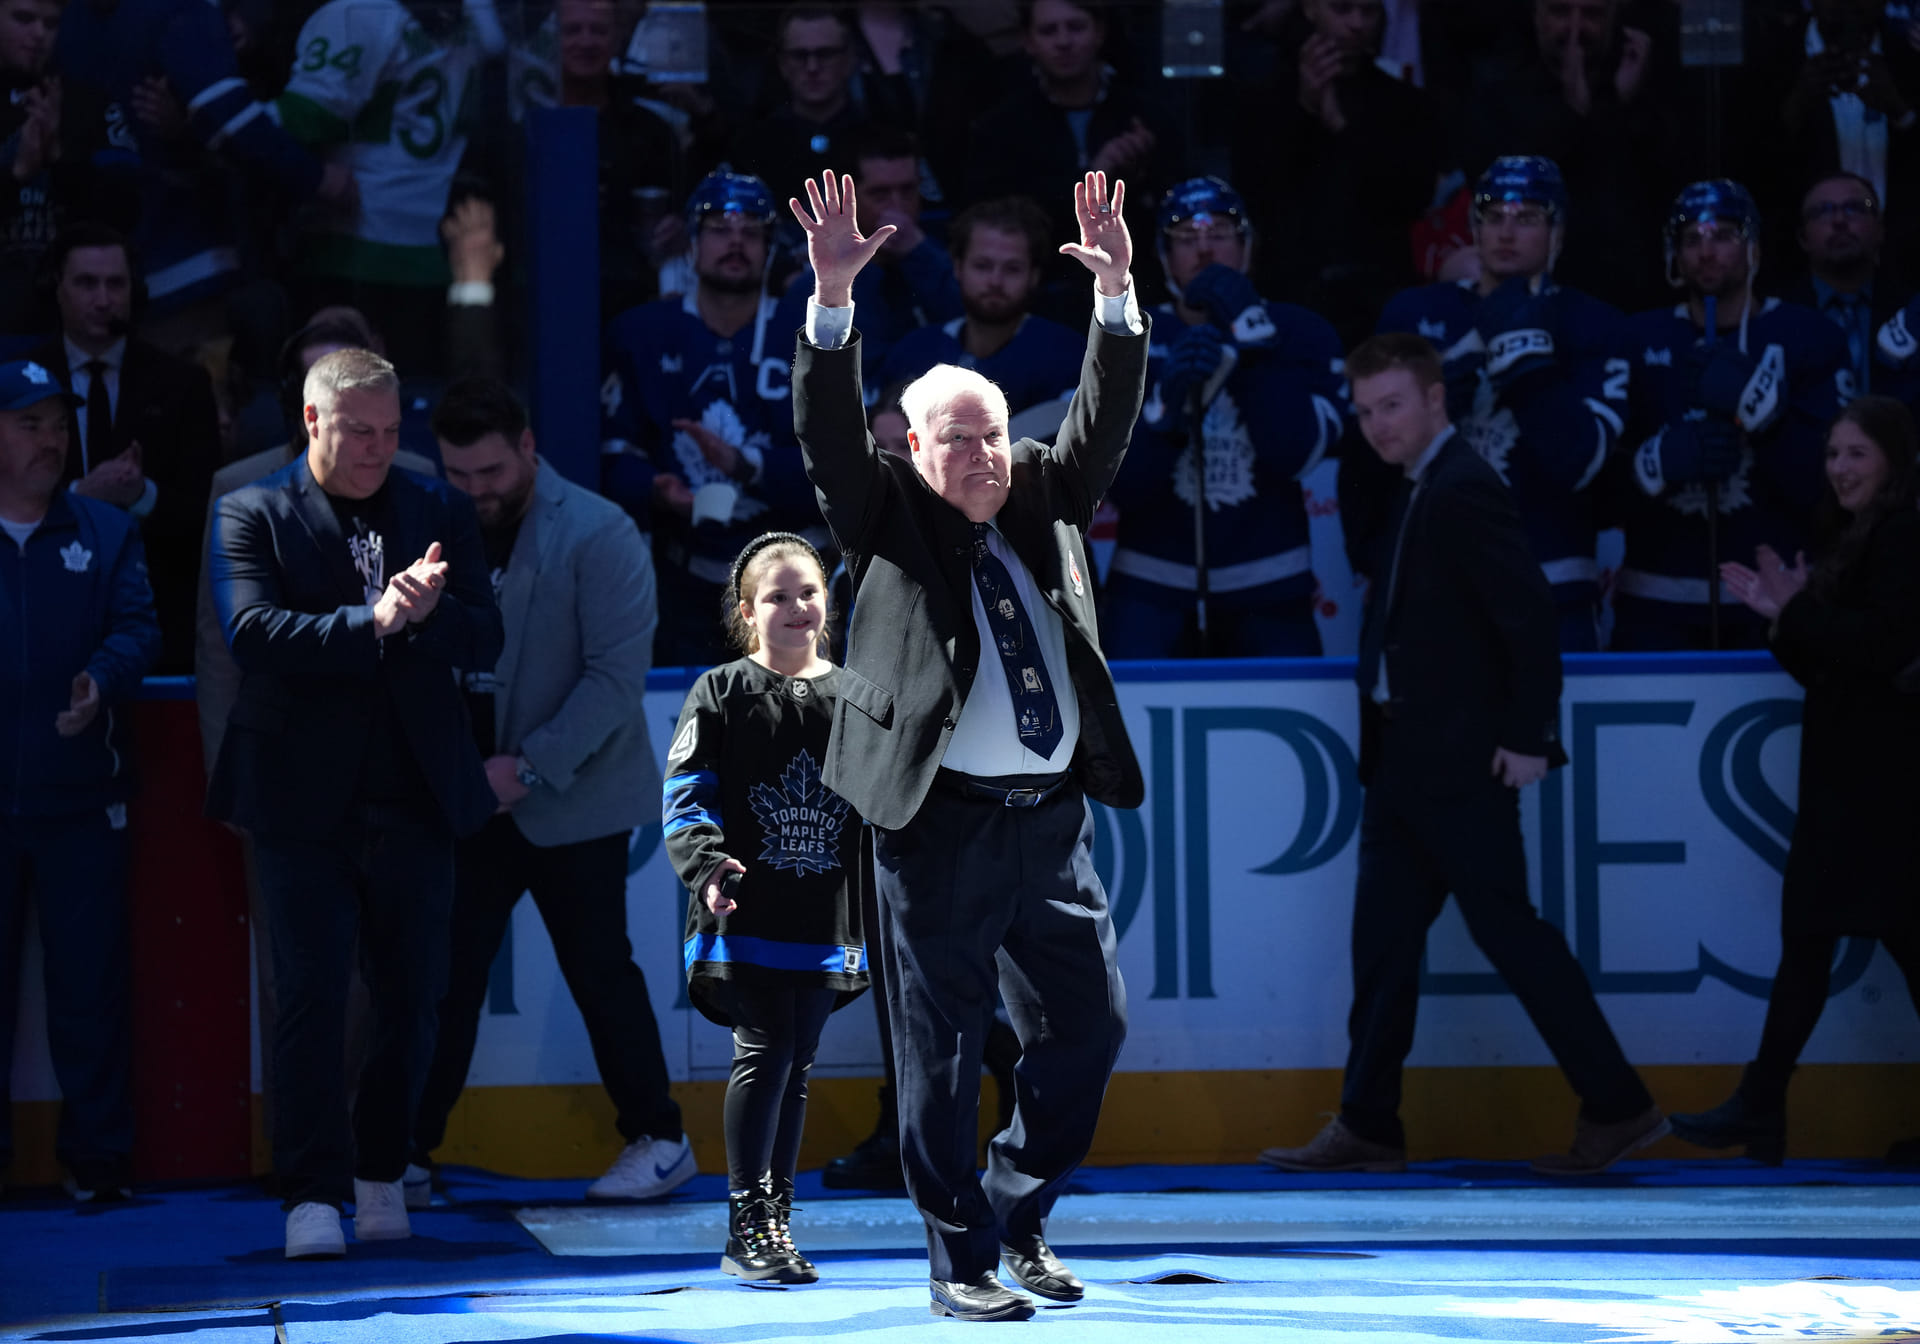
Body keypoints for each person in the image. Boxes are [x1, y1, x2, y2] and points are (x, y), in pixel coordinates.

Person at [791, 167, 1143, 1322]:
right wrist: (833, 305)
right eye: (961, 441)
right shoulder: (884, 509)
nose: (987, 458)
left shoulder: (1043, 488)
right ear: (913, 444)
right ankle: (962, 1261)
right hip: (935, 826)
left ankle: (1016, 1210)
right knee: (939, 1053)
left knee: (1088, 1026)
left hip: (1050, 824)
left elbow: (1101, 419)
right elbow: (827, 434)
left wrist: (1116, 300)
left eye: (995, 435)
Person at [1270, 333, 1666, 1177]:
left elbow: (1527, 620)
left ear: (1435, 400)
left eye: (1393, 406)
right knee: (1383, 947)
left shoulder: (1460, 488)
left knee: (1510, 935)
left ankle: (1619, 1105)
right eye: (1366, 410)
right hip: (1408, 762)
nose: (1377, 426)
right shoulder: (1422, 484)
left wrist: (1528, 737)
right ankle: (1369, 1123)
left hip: (1454, 765)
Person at [205, 347, 502, 1260]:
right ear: (311, 421)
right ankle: (311, 1191)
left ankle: (382, 1170)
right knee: (311, 996)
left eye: (388, 432)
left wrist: (424, 611)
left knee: (414, 998)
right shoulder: (248, 509)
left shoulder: (435, 505)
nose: (377, 449)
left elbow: (483, 632)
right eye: (357, 431)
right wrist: (371, 623)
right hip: (300, 803)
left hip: (415, 792)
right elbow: (252, 633)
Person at [409, 378, 694, 1206]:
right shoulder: (436, 524)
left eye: (490, 472)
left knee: (601, 971)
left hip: (573, 800)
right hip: (470, 797)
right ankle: (408, 1154)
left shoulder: (601, 533)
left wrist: (524, 768)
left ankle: (661, 1138)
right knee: (445, 979)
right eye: (458, 475)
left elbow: (614, 682)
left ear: (529, 448)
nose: (475, 491)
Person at [1670, 396, 1920, 1163]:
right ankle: (1760, 1108)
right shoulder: (1855, 536)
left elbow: (1883, 649)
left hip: (1886, 784)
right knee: (1810, 941)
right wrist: (1782, 619)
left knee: (1866, 943)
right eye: (1832, 455)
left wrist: (1797, 611)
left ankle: (1759, 1106)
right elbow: (1828, 666)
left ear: (1893, 461)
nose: (1840, 469)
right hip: (1851, 775)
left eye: (1856, 454)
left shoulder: (1906, 535)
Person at [665, 531, 868, 1282]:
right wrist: (708, 866)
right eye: (776, 597)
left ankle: (775, 1221)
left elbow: (883, 804)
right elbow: (685, 793)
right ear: (746, 612)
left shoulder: (853, 696)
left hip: (824, 915)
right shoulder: (718, 693)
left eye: (808, 592)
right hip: (744, 908)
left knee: (798, 1059)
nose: (796, 607)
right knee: (765, 1047)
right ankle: (746, 1223)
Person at [0, 357, 161, 1201]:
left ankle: (98, 1163)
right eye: (29, 424)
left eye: (58, 425)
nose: (51, 441)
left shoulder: (104, 533)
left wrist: (102, 678)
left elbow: (140, 628)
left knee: (89, 992)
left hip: (82, 798)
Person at [1371, 156, 1631, 650]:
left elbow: (1581, 461)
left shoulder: (1595, 323)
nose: (1506, 231)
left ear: (1558, 232)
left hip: (1552, 582)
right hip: (1436, 583)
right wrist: (1441, 392)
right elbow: (1376, 456)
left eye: (1528, 217)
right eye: (1493, 217)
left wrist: (1527, 370)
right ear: (1474, 227)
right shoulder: (1415, 313)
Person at [1105, 175, 1346, 658]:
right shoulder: (1123, 335)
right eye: (1186, 239)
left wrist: (1254, 343)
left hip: (1271, 584)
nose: (1204, 250)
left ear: (1247, 245)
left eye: (1219, 233)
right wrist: (1162, 413)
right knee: (1127, 728)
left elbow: (1294, 454)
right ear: (1163, 253)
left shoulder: (1299, 330)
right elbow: (1116, 490)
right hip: (1148, 586)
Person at [1615, 179, 1854, 651]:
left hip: (1777, 599)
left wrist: (1766, 419)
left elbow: (1836, 487)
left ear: (1754, 248)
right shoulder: (1635, 338)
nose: (1706, 251)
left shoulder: (1811, 336)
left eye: (1723, 235)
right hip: (1655, 604)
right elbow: (1588, 481)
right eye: (1692, 239)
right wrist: (1651, 463)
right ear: (1674, 254)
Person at [601, 170, 811, 668]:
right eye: (719, 229)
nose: (735, 242)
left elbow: (838, 465)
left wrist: (748, 466)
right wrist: (657, 488)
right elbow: (610, 450)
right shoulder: (641, 333)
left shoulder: (807, 330)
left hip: (794, 583)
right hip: (681, 584)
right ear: (691, 245)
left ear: (770, 247)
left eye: (750, 232)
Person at [31, 224, 222, 673]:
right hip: (36, 605)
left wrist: (141, 495)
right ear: (57, 289)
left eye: (115, 284)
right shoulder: (20, 380)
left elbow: (206, 516)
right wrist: (80, 495)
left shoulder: (183, 385)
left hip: (152, 613)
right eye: (86, 283)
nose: (103, 299)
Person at [275, 0, 485, 374]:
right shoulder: (472, 17)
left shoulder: (358, 14)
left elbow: (308, 117)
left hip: (351, 242)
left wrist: (213, 119)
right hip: (427, 249)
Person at [1238, 0, 1440, 346]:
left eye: (1369, 11)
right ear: (1311, 9)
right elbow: (1256, 193)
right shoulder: (1262, 98)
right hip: (1292, 292)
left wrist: (1340, 126)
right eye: (1343, 9)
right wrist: (1304, 108)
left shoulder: (1407, 104)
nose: (1357, 24)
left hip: (1379, 293)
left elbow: (1413, 197)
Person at [1455, 0, 1674, 312]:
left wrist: (1618, 105)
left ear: (1614, 20)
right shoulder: (1500, 88)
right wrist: (1573, 112)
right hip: (1528, 299)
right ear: (1537, 16)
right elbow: (1494, 180)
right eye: (1560, 12)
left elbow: (1662, 179)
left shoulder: (1640, 85)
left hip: (1630, 295)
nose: (1575, 28)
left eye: (1592, 14)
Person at [966, 0, 1170, 323]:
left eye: (1075, 27)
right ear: (1028, 41)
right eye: (1049, 30)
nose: (1063, 41)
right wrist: (1093, 172)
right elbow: (1000, 220)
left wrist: (1140, 168)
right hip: (1037, 297)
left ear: (1099, 32)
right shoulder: (1002, 126)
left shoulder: (1144, 115)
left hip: (1140, 288)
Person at [776, 127, 964, 393]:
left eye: (908, 190)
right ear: (847, 199)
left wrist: (919, 254)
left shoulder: (941, 260)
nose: (897, 207)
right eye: (880, 194)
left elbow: (979, 328)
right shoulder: (816, 286)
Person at [878, 195, 1084, 413]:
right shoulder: (913, 352)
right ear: (957, 267)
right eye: (982, 266)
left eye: (1012, 268)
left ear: (1034, 276)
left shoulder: (1068, 356)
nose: (995, 281)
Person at [1778, 172, 1910, 396]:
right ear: (1802, 237)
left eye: (1855, 208)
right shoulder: (1775, 316)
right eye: (1822, 211)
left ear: (1880, 229)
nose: (1839, 221)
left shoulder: (1910, 311)